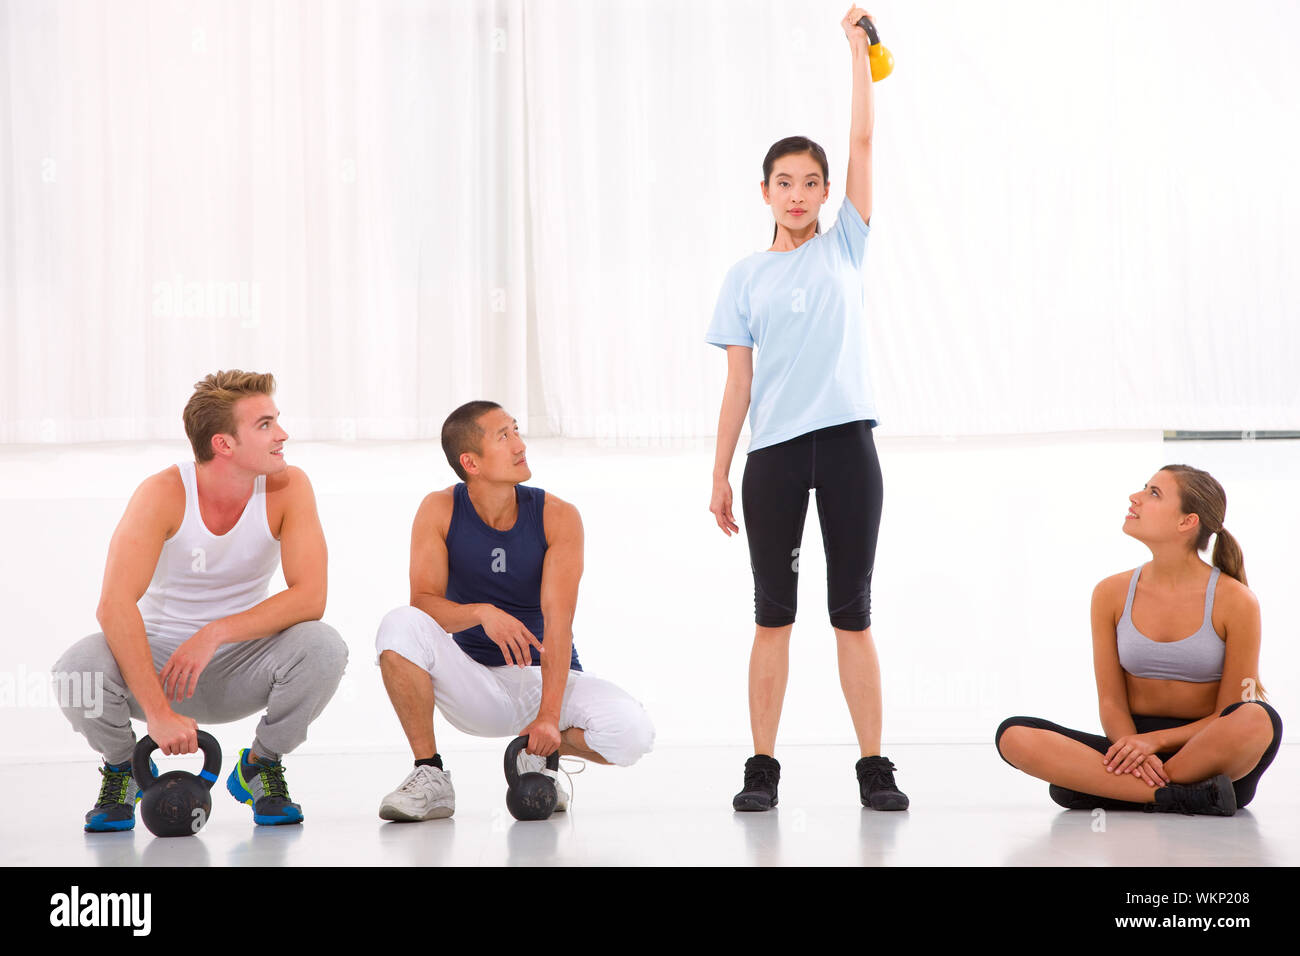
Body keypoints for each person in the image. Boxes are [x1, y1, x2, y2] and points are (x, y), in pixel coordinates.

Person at [706, 7, 907, 813]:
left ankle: (874, 766)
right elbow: (738, 388)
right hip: (775, 461)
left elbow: (861, 140)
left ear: (828, 192)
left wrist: (857, 49)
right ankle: (762, 767)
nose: (797, 194)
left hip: (848, 445)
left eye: (810, 182)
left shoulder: (846, 246)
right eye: (783, 183)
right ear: (765, 191)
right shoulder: (744, 279)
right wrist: (718, 475)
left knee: (851, 615)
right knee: (773, 617)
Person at [54, 370, 349, 830]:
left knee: (324, 645)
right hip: (156, 669)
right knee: (76, 670)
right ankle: (123, 769)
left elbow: (311, 597)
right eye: (265, 425)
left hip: (241, 666)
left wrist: (215, 632)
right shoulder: (163, 493)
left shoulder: (290, 487)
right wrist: (156, 713)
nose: (283, 435)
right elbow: (114, 605)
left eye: (278, 421)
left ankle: (260, 765)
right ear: (223, 444)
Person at [373, 401, 654, 821]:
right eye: (504, 436)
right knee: (398, 624)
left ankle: (535, 754)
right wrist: (482, 612)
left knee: (633, 733)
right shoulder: (439, 509)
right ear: (471, 462)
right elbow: (425, 605)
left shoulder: (558, 516)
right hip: (477, 684)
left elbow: (560, 625)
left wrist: (549, 718)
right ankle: (429, 775)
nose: (520, 444)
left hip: (548, 678)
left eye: (517, 430)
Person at [995, 465, 1283, 816]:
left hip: (1205, 751)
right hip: (1129, 748)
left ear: (1186, 522)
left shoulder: (1235, 600)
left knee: (1256, 718)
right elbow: (1112, 702)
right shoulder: (1110, 593)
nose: (1136, 497)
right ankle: (1181, 796)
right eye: (1144, 489)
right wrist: (1132, 747)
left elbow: (1229, 713)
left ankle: (1112, 790)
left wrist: (1155, 742)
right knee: (1013, 736)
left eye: (1154, 493)